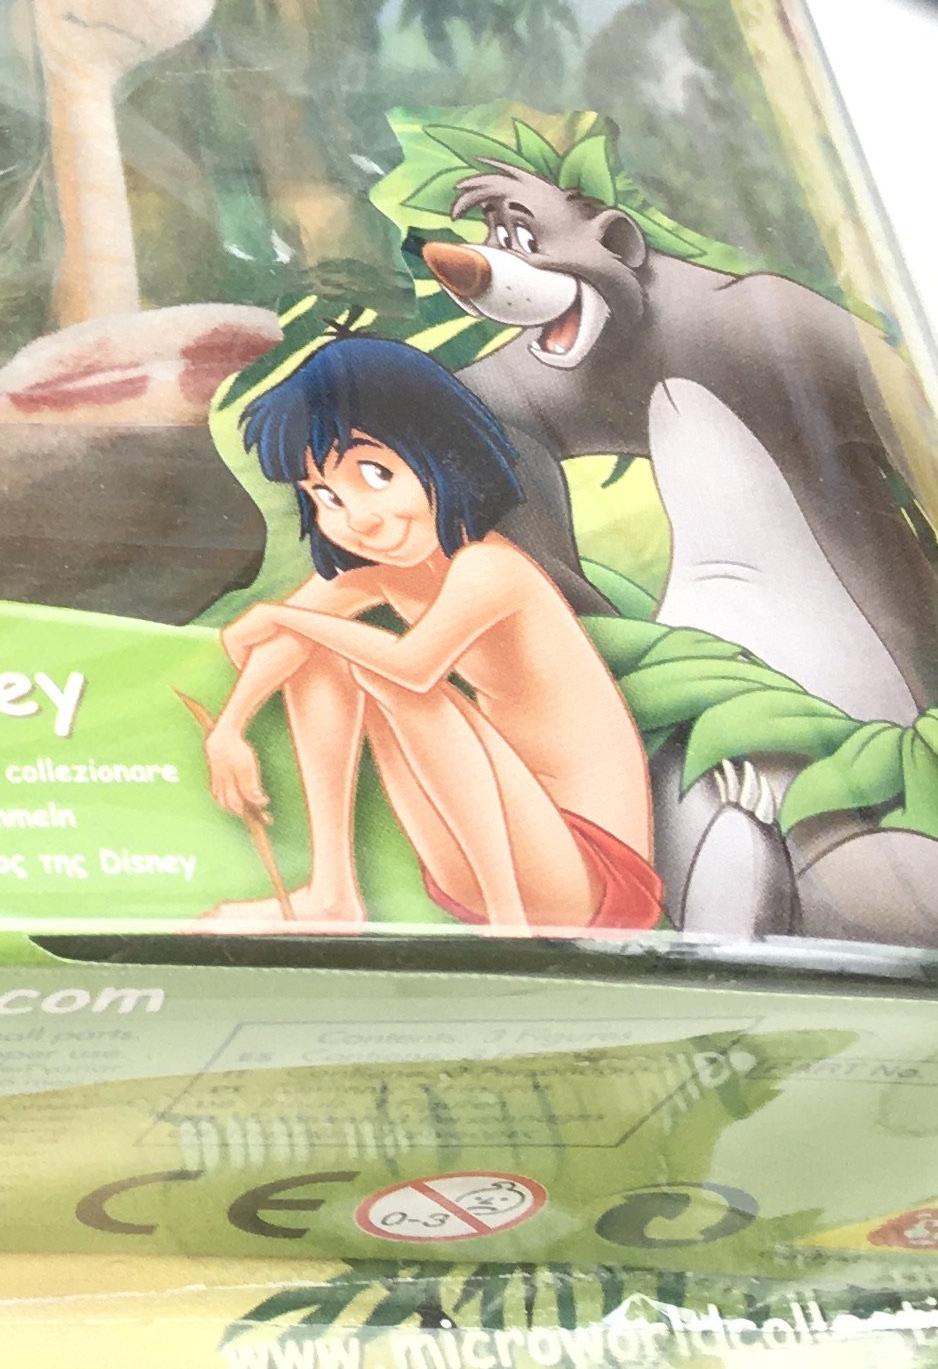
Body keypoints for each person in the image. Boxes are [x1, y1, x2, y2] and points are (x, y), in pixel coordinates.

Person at [193, 334, 659, 935]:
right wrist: (230, 729)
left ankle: (511, 931)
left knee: (395, 677)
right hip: (491, 852)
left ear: (442, 453)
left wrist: (284, 617)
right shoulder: (390, 575)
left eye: (376, 474)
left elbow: (412, 667)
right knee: (328, 649)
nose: (359, 518)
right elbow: (279, 646)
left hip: (590, 876)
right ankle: (332, 895)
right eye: (327, 496)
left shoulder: (491, 567)